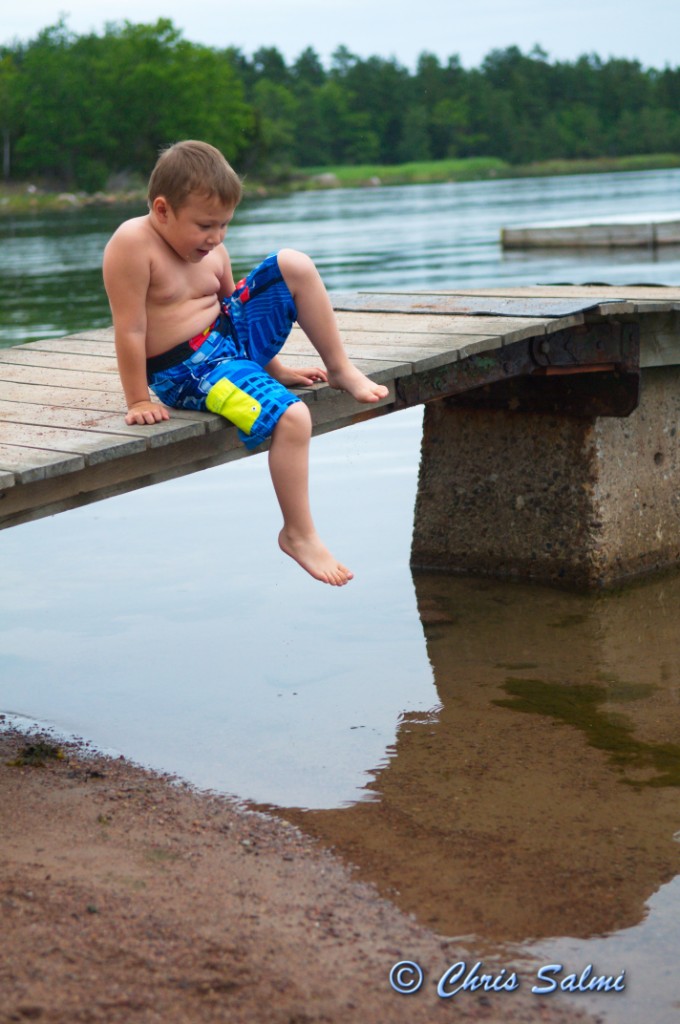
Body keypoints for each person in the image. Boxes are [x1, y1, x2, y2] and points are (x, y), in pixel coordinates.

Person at [103, 139, 389, 586]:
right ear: (162, 210)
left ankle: (339, 367)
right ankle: (298, 533)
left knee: (294, 263)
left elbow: (232, 312)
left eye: (223, 226)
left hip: (225, 345)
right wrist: (138, 398)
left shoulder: (212, 249)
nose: (215, 238)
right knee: (294, 418)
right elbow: (130, 330)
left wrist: (274, 368)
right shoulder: (132, 245)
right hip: (189, 370)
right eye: (203, 226)